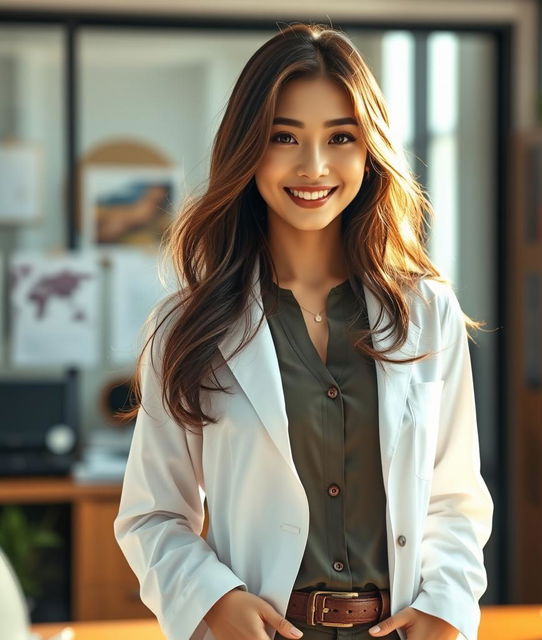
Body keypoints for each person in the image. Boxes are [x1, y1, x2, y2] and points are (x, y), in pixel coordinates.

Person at [113, 22, 494, 640]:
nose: (314, 166)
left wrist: (446, 604)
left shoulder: (428, 311)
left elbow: (454, 495)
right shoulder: (184, 325)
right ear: (247, 149)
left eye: (340, 137)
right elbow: (153, 515)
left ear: (368, 149)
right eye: (283, 136)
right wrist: (215, 601)